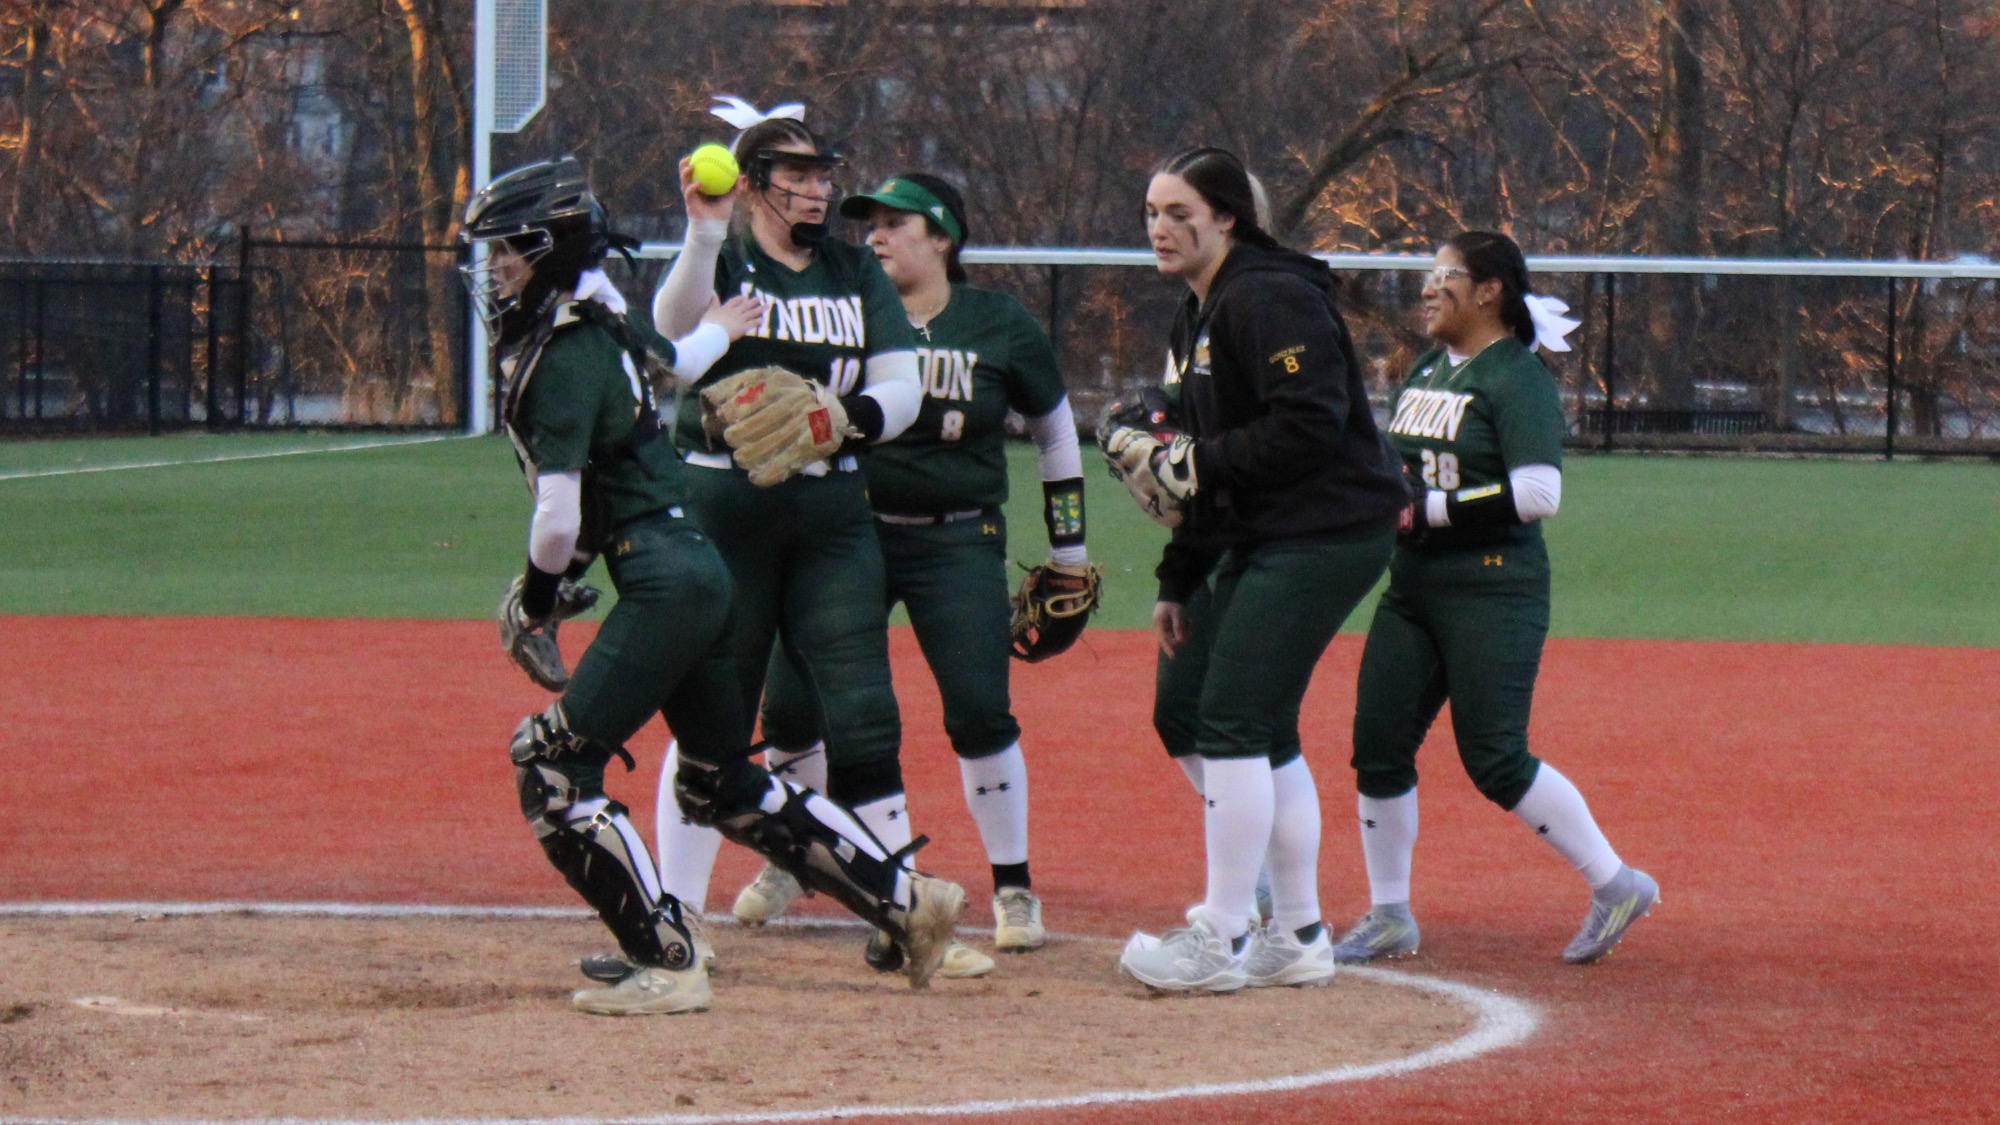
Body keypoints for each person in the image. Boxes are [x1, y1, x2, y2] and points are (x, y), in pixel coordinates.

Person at [466, 156, 966, 1015]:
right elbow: (678, 363)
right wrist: (720, 307)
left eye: (507, 251)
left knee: (552, 768)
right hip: (696, 565)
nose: (494, 269)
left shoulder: (563, 350)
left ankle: (667, 955)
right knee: (717, 779)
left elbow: (557, 517)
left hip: (667, 582)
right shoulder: (603, 319)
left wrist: (540, 596)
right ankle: (909, 900)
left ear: (547, 253)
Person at [738, 172, 1094, 963]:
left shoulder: (996, 322)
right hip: (847, 532)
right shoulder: (853, 316)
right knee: (792, 701)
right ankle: (798, 855)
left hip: (957, 538)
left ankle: (1013, 884)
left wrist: (1067, 548)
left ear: (943, 238)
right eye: (870, 224)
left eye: (898, 224)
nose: (877, 236)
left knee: (978, 709)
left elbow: (1057, 434)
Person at [647, 103, 952, 973]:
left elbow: (903, 388)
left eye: (825, 174)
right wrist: (703, 234)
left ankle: (901, 906)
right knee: (712, 709)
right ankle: (676, 911)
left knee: (862, 704)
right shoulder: (728, 255)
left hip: (830, 511)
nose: (819, 188)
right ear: (751, 185)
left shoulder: (854, 269)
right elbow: (672, 333)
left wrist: (841, 417)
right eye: (799, 174)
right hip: (725, 508)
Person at [1100, 147, 1409, 992]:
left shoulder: (1268, 293)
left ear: (1228, 217)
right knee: (1194, 709)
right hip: (1265, 533)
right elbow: (1205, 465)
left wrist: (1197, 460)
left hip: (1328, 529)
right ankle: (1300, 932)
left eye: (1178, 211)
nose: (1159, 228)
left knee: (1233, 716)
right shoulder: (1197, 310)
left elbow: (1309, 424)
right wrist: (1176, 574)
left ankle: (1222, 935)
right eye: (1151, 213)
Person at [1332, 230, 1658, 966]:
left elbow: (1540, 491)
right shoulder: (1427, 368)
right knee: (1377, 747)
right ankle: (1389, 914)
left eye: (1444, 274)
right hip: (1413, 584)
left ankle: (1616, 883)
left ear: (1489, 290)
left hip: (1492, 586)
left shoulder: (1517, 377)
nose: (1426, 287)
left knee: (1495, 758)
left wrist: (1431, 510)